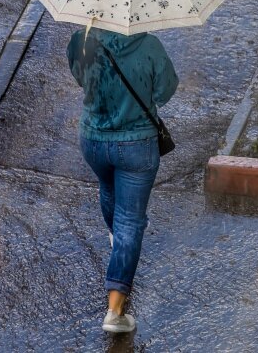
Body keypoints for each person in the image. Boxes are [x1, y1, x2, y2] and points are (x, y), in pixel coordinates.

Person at [67, 26, 178, 333]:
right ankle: (114, 312)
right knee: (130, 220)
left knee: (108, 188)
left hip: (92, 139)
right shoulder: (149, 46)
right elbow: (165, 91)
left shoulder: (81, 39)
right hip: (136, 145)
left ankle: (119, 244)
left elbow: (80, 77)